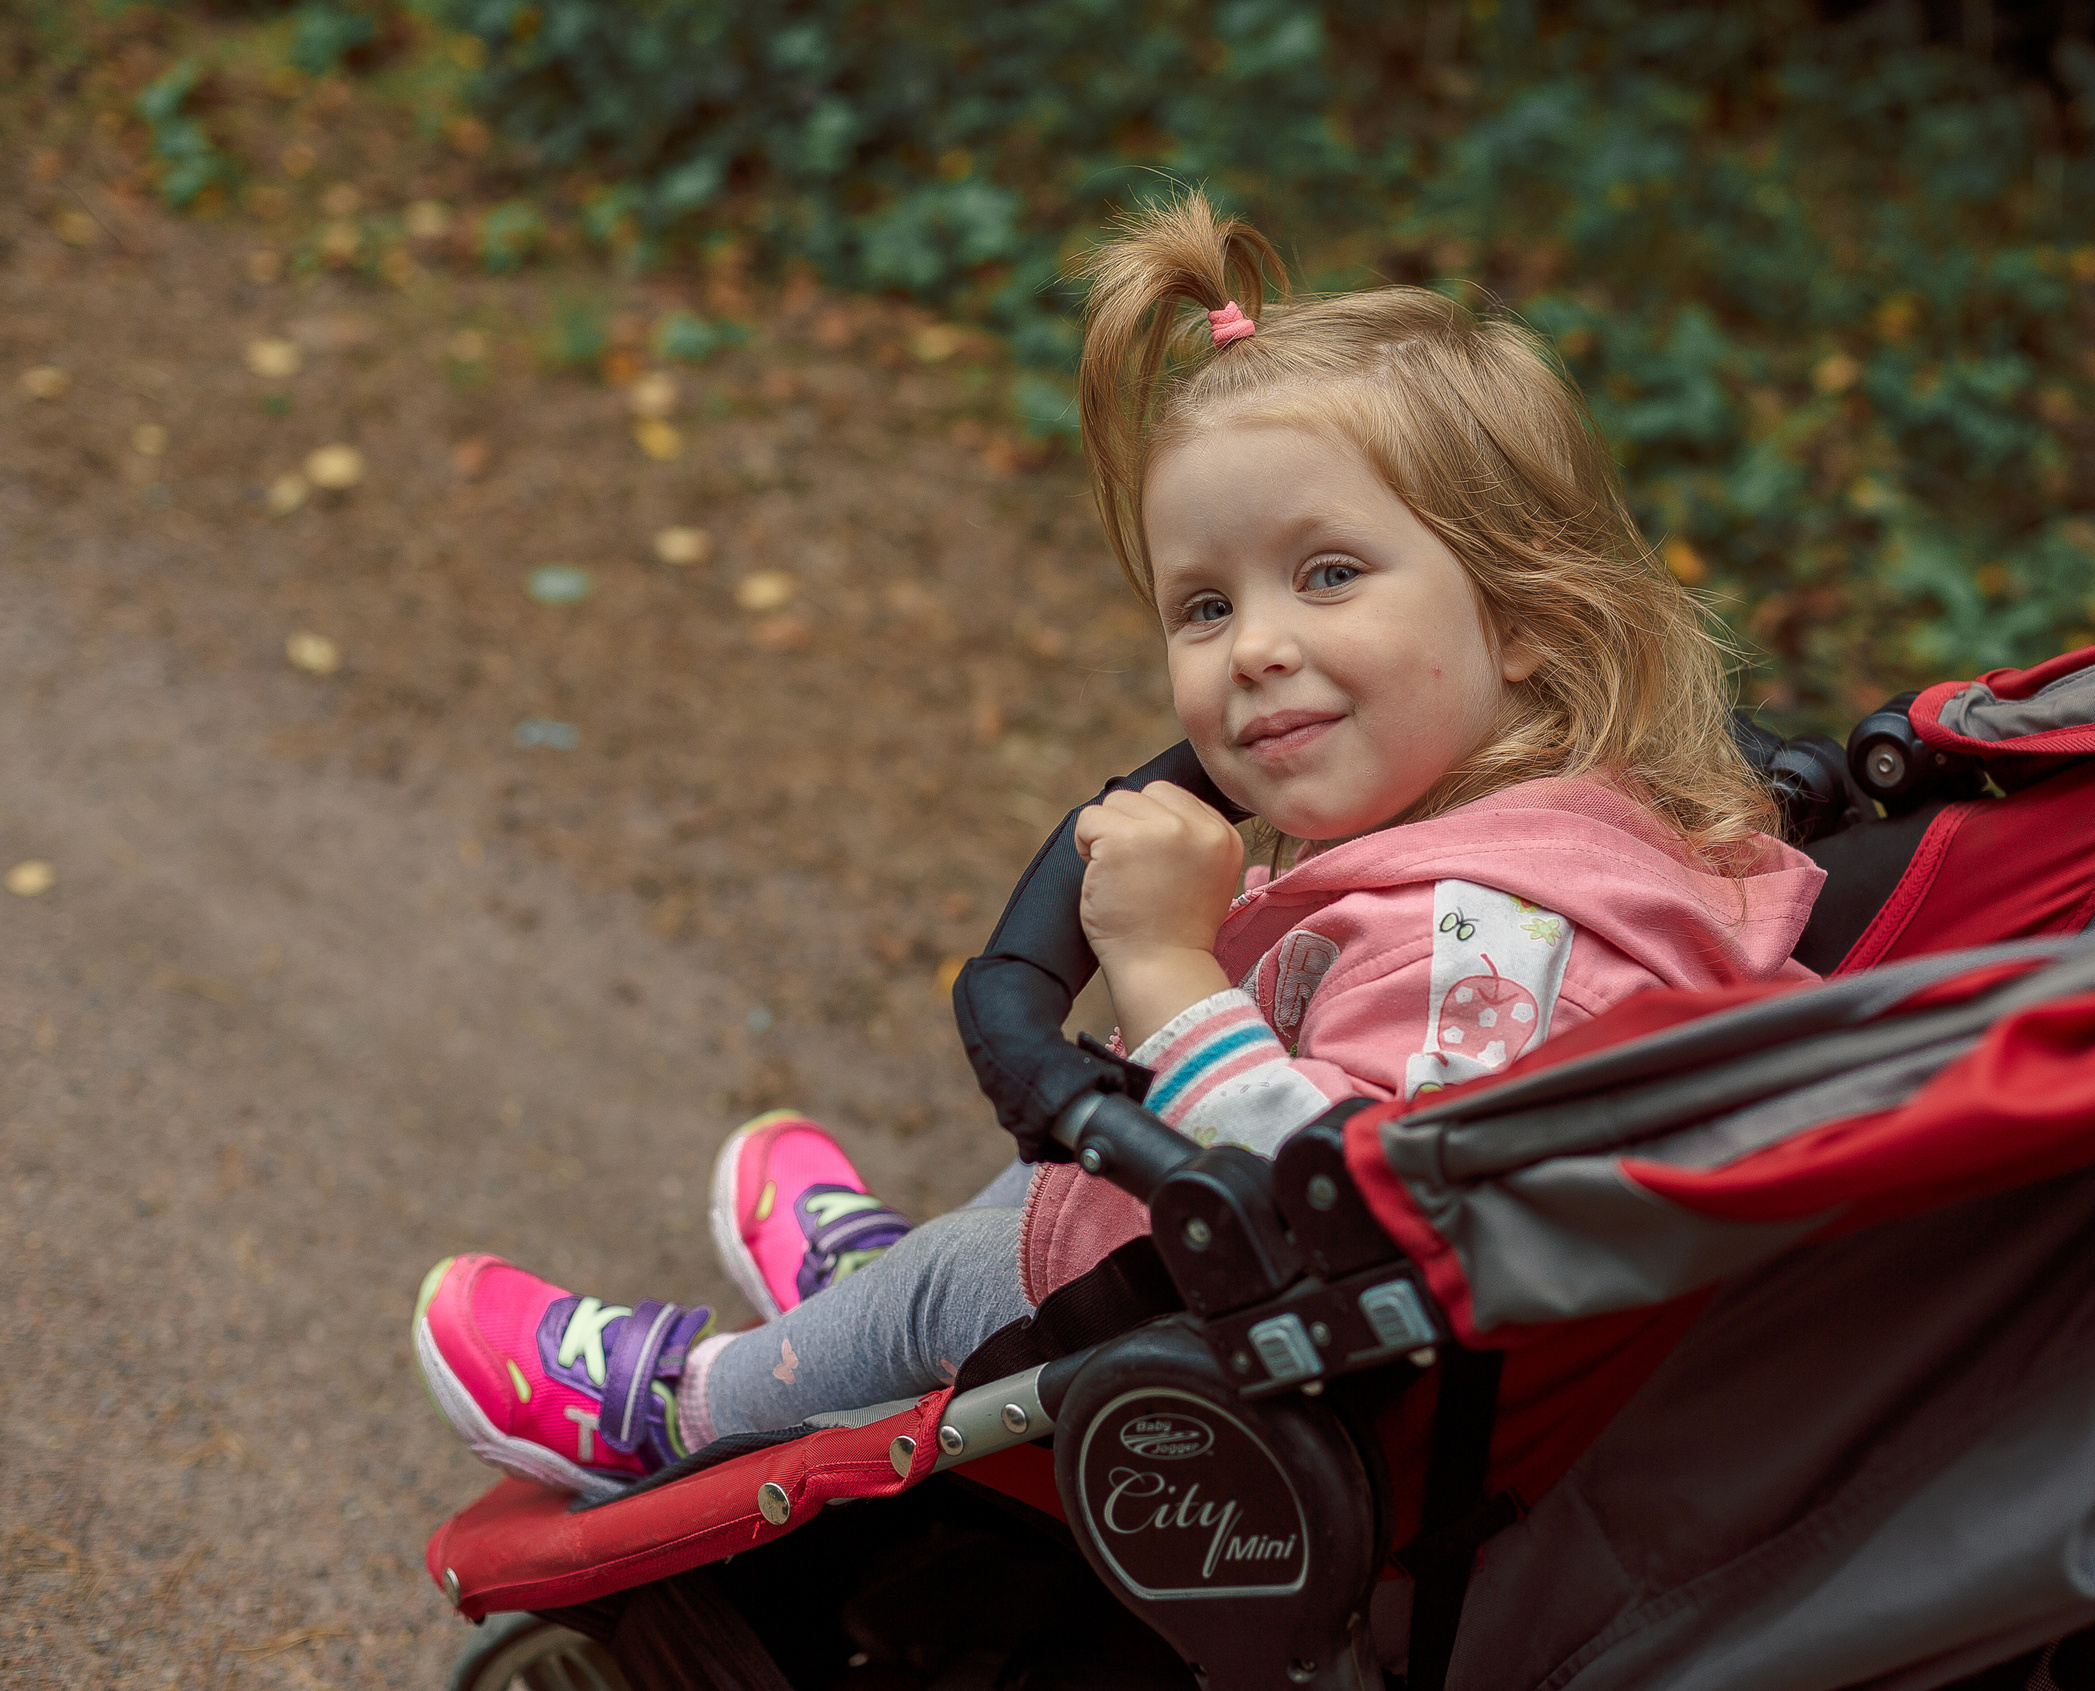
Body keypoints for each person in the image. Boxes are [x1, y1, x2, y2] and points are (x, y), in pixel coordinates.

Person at [410, 192, 1826, 1498]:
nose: (1255, 650)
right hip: (1208, 1282)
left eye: (1327, 576)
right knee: (1034, 1199)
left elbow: (1352, 1212)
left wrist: (1159, 962)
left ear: (1527, 618)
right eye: (1201, 607)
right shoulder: (1542, 827)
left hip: (1261, 1345)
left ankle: (681, 1411)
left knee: (994, 1257)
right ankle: (872, 1303)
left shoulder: (1500, 936)